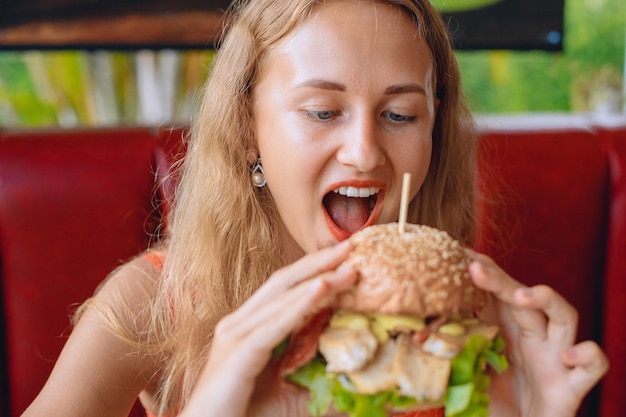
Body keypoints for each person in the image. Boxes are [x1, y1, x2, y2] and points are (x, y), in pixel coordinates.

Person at [22, 0, 609, 416]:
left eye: (400, 115)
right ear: (247, 129)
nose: (363, 153)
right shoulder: (153, 304)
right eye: (323, 111)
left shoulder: (463, 319)